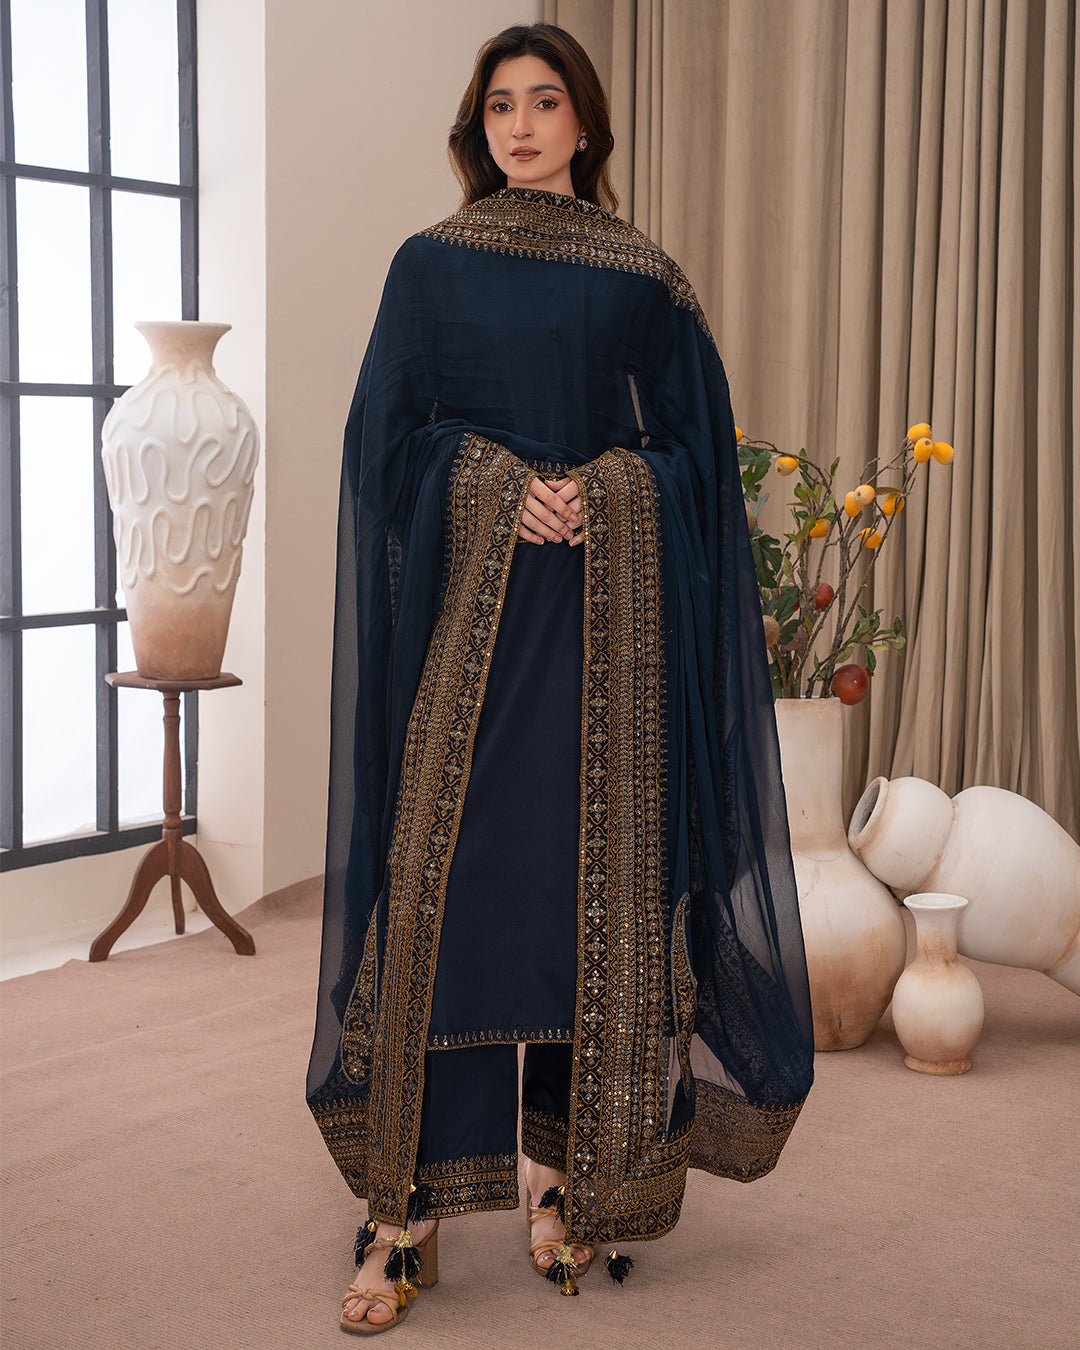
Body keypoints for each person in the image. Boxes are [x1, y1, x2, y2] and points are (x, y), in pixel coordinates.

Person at [306, 22, 814, 1334]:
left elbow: (698, 459)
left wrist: (613, 490)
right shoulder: (429, 266)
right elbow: (382, 449)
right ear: (475, 127)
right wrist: (487, 483)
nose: (522, 125)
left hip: (604, 633)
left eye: (544, 102)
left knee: (577, 905)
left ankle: (557, 1176)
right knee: (442, 902)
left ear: (585, 122)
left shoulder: (645, 277)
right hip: (470, 634)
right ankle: (404, 1206)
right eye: (500, 105)